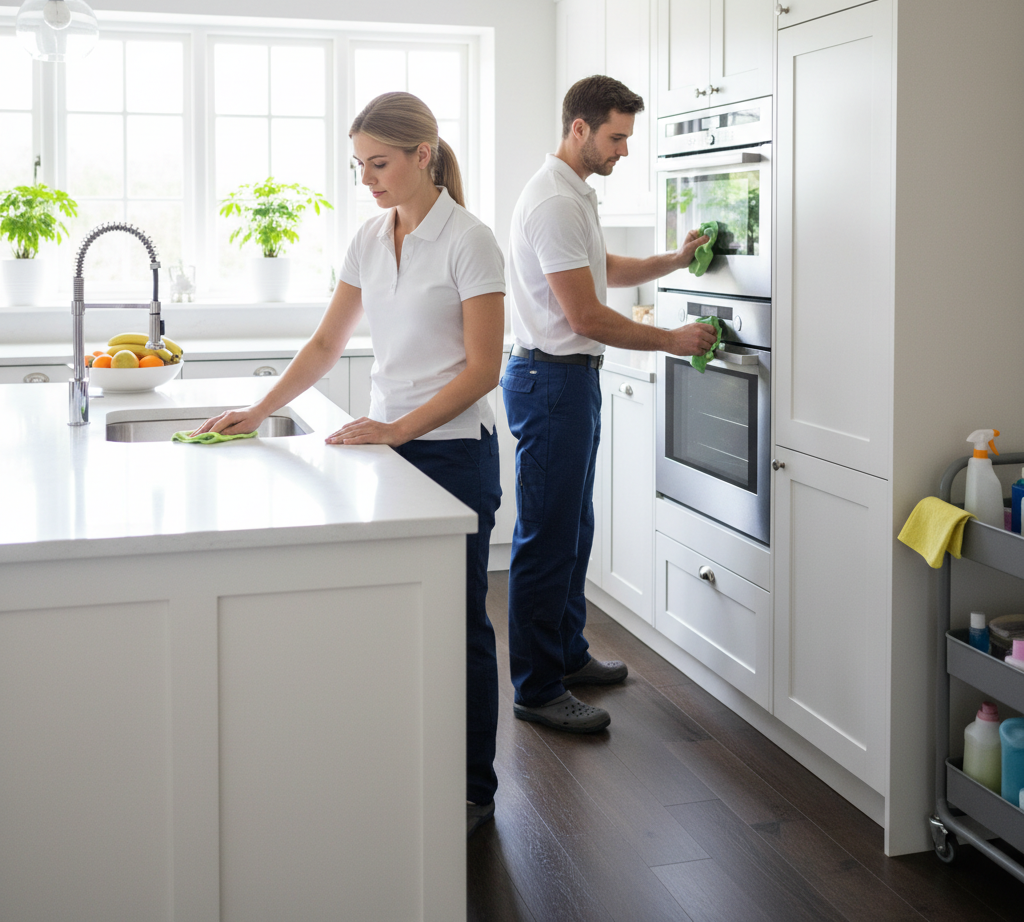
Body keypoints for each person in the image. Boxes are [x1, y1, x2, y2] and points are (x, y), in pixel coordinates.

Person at [194, 91, 506, 838]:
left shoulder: (471, 240)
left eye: (379, 163)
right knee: (400, 617)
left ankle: (471, 790)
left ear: (422, 156)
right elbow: (326, 344)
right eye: (359, 165)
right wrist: (260, 408)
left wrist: (397, 428)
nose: (366, 179)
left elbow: (484, 369)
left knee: (459, 623)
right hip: (389, 449)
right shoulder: (370, 237)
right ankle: (405, 766)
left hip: (453, 452)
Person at [502, 74, 719, 734]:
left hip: (567, 382)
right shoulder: (554, 202)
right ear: (579, 129)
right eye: (617, 137)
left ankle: (565, 655)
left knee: (574, 526)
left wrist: (674, 260)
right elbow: (588, 315)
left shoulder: (574, 196)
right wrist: (671, 340)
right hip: (551, 383)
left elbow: (602, 270)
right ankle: (537, 688)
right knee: (546, 537)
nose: (624, 150)